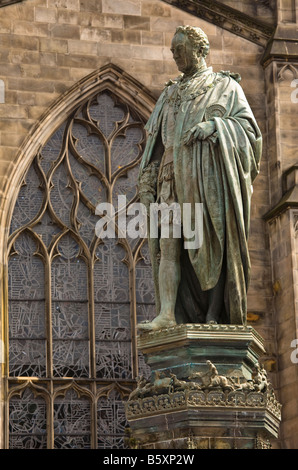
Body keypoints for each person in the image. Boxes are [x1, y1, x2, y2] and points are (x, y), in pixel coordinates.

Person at [137, 25, 262, 332]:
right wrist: (146, 181)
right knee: (169, 246)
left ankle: (214, 314)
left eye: (179, 48)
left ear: (200, 50)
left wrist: (216, 127)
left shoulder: (225, 87)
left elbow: (250, 134)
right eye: (172, 49)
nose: (173, 54)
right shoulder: (169, 93)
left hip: (206, 179)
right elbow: (155, 145)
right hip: (170, 177)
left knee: (214, 243)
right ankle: (167, 312)